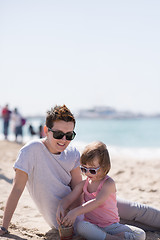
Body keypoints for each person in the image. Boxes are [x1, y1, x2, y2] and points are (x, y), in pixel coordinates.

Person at [0, 104, 160, 237]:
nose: (64, 140)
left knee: (138, 210)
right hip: (72, 219)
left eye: (69, 135)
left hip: (88, 205)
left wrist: (84, 211)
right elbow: (17, 189)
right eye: (58, 134)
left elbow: (81, 188)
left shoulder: (73, 153)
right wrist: (4, 227)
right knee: (131, 226)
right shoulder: (31, 150)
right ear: (45, 130)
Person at [56, 141, 146, 240]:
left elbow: (97, 201)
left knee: (140, 234)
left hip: (111, 226)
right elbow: (70, 197)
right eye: (84, 169)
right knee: (81, 226)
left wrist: (75, 212)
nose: (87, 173)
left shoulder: (108, 183)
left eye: (92, 170)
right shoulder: (83, 184)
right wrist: (62, 206)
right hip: (92, 225)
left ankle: (110, 237)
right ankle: (109, 238)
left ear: (104, 167)